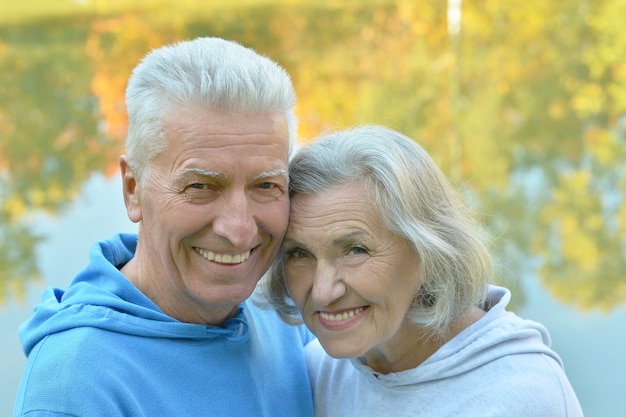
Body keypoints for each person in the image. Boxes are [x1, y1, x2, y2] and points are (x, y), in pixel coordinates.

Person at [14, 37, 315, 417]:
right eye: (201, 186)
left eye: (266, 185)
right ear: (133, 190)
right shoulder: (75, 390)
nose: (239, 231)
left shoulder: (285, 310)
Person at [263, 125, 583, 416]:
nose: (322, 291)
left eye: (355, 250)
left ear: (428, 252)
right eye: (299, 253)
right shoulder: (318, 370)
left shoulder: (516, 394)